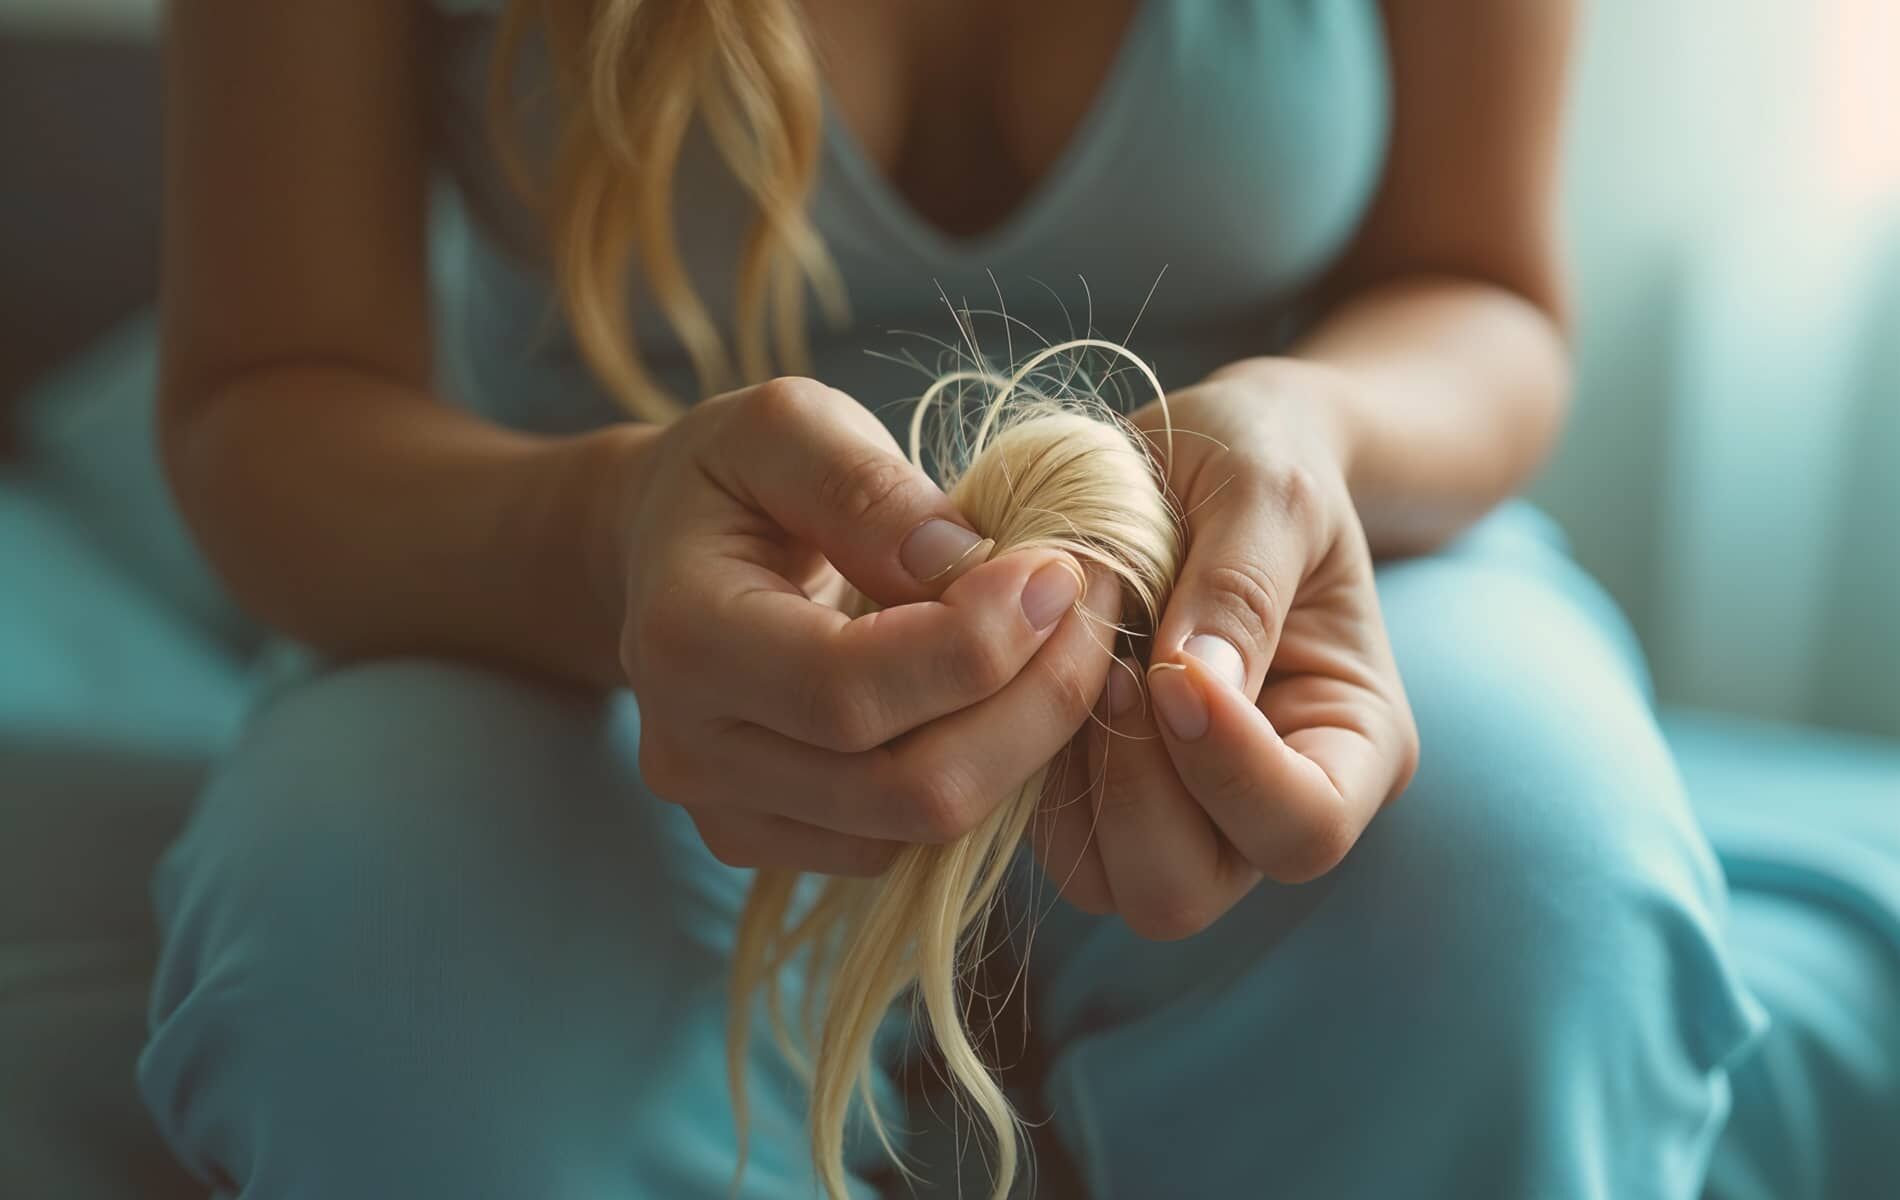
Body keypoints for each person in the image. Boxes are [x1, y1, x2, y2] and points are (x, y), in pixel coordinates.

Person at [140, 3, 1884, 1197]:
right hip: (571, 585)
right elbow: (265, 404)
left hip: (1298, 531)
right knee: (386, 974)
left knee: (1530, 897)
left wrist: (1307, 429)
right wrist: (606, 538)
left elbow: (1481, 287)